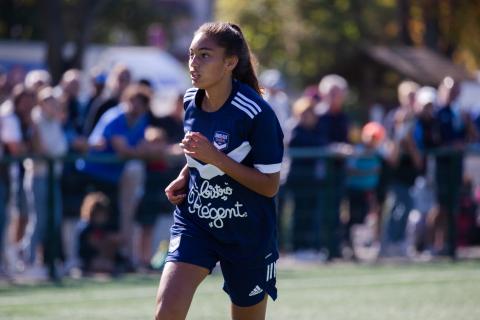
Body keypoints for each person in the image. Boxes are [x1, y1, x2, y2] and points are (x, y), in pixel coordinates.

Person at [155, 22, 284, 320]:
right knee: (166, 312)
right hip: (196, 221)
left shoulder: (257, 114)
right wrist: (185, 176)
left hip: (246, 233)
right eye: (191, 55)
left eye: (204, 55)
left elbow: (269, 186)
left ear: (230, 62)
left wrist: (216, 159)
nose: (193, 64)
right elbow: (199, 154)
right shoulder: (190, 100)